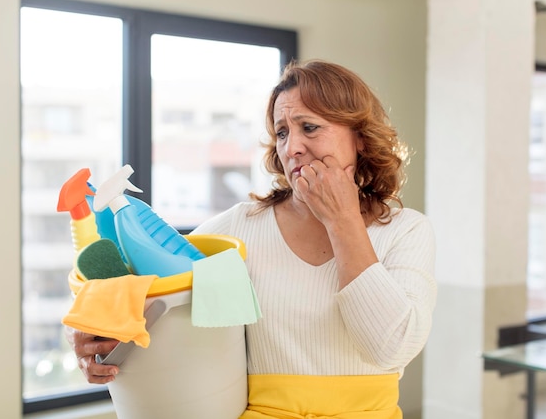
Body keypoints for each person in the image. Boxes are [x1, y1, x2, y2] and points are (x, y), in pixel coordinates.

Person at [67, 59, 437, 418]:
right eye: (281, 132)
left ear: (359, 138)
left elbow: (390, 348)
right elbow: (140, 282)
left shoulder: (406, 231)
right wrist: (85, 335)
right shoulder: (238, 229)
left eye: (309, 127)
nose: (291, 147)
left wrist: (341, 219)